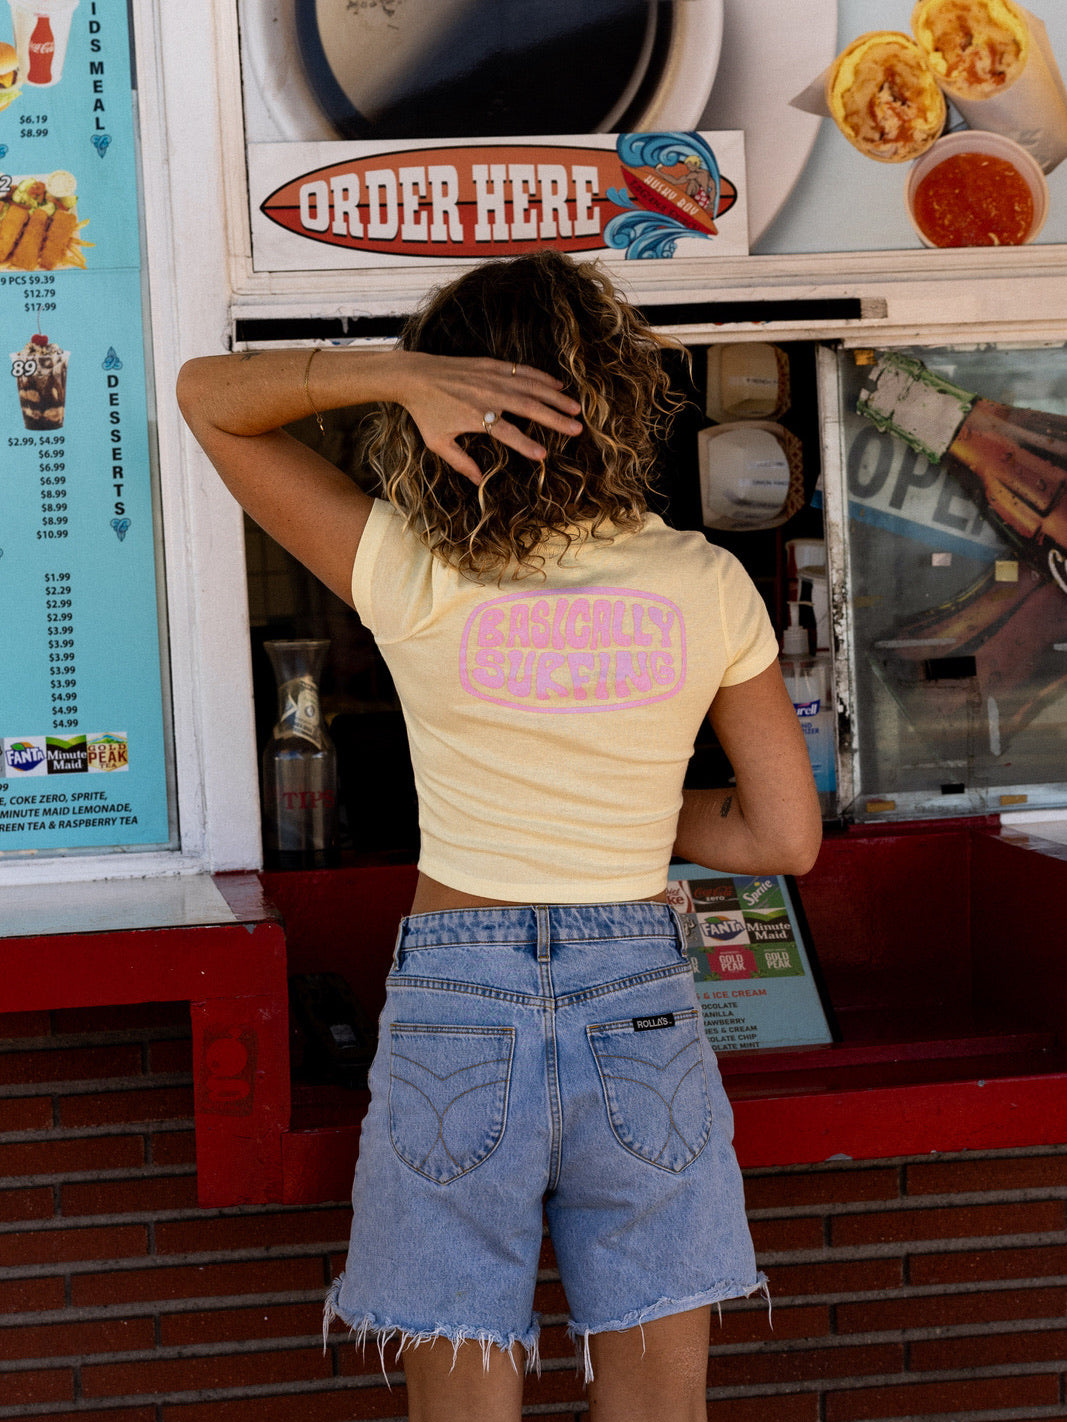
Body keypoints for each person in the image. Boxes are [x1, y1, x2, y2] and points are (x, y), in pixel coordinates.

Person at [177, 250, 821, 1422]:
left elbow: (206, 399)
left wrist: (392, 372)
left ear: (448, 407)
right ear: (618, 395)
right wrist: (628, 804)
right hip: (639, 994)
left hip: (453, 1002)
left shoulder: (413, 572)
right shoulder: (703, 582)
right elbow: (782, 836)